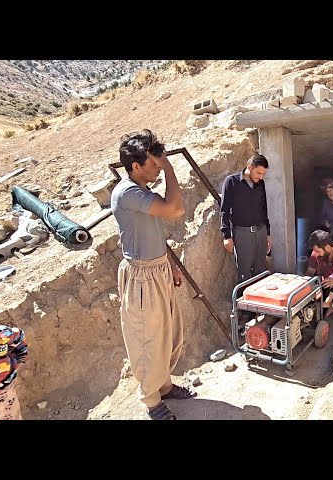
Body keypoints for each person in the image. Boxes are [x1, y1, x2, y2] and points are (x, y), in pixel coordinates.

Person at [112, 128, 195, 421]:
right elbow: (176, 209)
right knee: (148, 339)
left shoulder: (142, 191)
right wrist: (171, 168)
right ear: (136, 166)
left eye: (160, 162)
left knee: (168, 334)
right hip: (142, 276)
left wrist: (169, 264)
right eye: (153, 162)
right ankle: (150, 399)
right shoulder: (128, 192)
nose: (158, 165)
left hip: (158, 268)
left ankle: (164, 385)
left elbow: (156, 231)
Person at [220, 154, 272, 285]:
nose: (260, 177)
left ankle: (259, 303)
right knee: (244, 272)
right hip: (242, 233)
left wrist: (268, 233)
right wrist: (227, 236)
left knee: (260, 269)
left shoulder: (260, 184)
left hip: (261, 231)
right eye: (259, 173)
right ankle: (243, 304)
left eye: (263, 174)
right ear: (249, 167)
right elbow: (225, 210)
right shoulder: (231, 182)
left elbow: (264, 208)